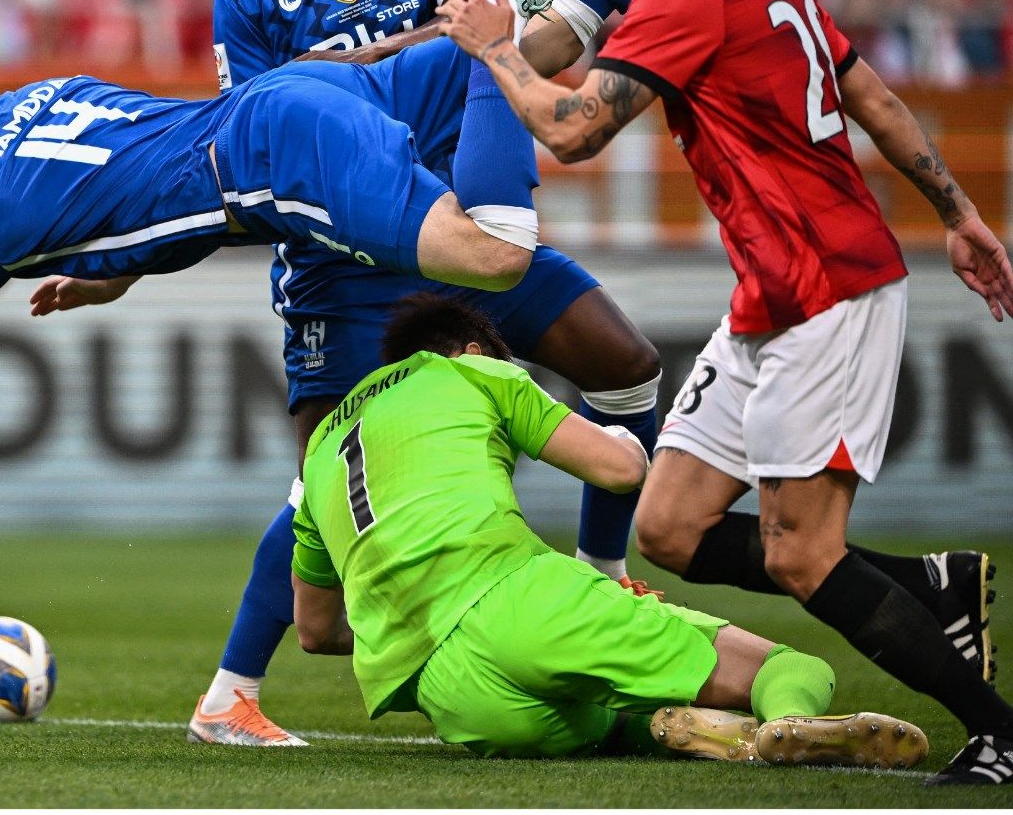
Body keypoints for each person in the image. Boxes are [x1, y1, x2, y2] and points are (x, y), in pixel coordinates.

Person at [37, 0, 864, 745]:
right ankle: (231, 693)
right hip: (347, 257)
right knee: (323, 504)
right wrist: (132, 263)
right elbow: (247, 146)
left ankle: (601, 582)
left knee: (628, 368)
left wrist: (407, 59)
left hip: (461, 225)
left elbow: (489, 25)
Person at [439, 0, 1013, 787]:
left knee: (800, 555)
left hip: (828, 287)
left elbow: (574, 131)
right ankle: (934, 584)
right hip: (773, 294)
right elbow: (868, 91)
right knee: (670, 529)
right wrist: (958, 209)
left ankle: (1000, 732)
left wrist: (492, 46)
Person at [0, 50, 551, 589]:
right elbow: (141, 173)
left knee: (491, 254)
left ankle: (499, 36)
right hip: (292, 96)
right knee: (472, 62)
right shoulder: (51, 90)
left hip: (272, 161)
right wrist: (110, 276)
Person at [290, 293, 928, 769]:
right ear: (475, 349)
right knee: (794, 666)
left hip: (452, 697)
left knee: (612, 720)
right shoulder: (473, 371)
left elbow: (317, 631)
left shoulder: (317, 452)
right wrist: (624, 437)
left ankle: (706, 731)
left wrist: (410, 619)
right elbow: (620, 469)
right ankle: (790, 722)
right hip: (520, 601)